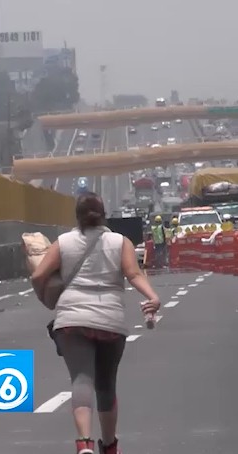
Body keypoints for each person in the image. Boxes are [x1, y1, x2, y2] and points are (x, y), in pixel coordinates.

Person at [31, 192, 161, 454]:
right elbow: (133, 273)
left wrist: (46, 298)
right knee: (105, 384)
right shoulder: (119, 241)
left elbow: (38, 274)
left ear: (77, 216)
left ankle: (84, 444)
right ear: (103, 215)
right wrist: (152, 297)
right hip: (110, 321)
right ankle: (110, 445)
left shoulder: (64, 242)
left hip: (71, 320)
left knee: (81, 379)